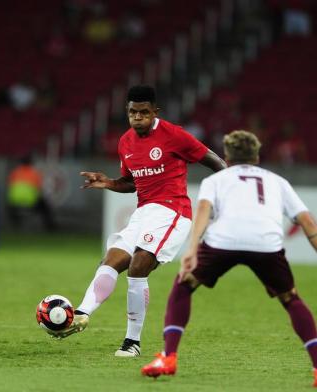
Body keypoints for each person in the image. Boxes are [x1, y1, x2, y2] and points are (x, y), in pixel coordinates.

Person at [54, 85, 226, 356]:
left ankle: (131, 342)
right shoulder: (125, 142)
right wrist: (109, 182)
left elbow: (214, 161)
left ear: (154, 112)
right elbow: (131, 183)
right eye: (133, 112)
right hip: (143, 212)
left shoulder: (175, 135)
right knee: (111, 260)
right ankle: (80, 314)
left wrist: (232, 187)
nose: (137, 117)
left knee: (138, 265)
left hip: (173, 211)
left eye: (143, 112)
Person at [141, 130, 317, 387]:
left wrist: (191, 249)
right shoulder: (277, 181)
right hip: (266, 243)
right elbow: (307, 222)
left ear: (226, 156)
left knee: (184, 285)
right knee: (290, 298)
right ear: (257, 156)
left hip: (223, 241)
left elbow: (203, 211)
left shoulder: (217, 180)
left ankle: (168, 357)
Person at [7, 155, 57, 231]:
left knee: (10, 207)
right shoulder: (34, 173)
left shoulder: (15, 172)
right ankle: (50, 227)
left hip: (14, 202)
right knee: (45, 207)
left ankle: (15, 226)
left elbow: (10, 186)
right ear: (31, 163)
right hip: (30, 202)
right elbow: (39, 189)